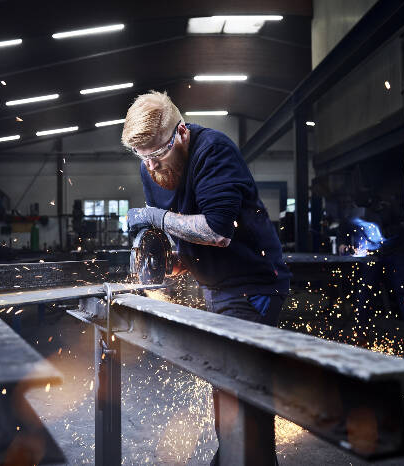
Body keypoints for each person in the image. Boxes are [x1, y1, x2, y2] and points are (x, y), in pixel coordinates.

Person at [121, 91, 291, 465]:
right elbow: (184, 225)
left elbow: (218, 231)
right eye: (142, 158)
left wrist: (156, 219)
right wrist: (181, 258)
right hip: (216, 287)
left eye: (157, 155)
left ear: (181, 133)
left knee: (242, 398)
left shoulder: (213, 151)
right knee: (229, 393)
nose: (150, 167)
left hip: (252, 287)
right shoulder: (152, 163)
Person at [339, 195, 404, 353]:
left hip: (396, 253)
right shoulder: (352, 208)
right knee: (364, 292)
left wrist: (384, 235)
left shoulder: (389, 203)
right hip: (371, 255)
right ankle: (361, 336)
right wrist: (343, 242)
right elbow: (344, 227)